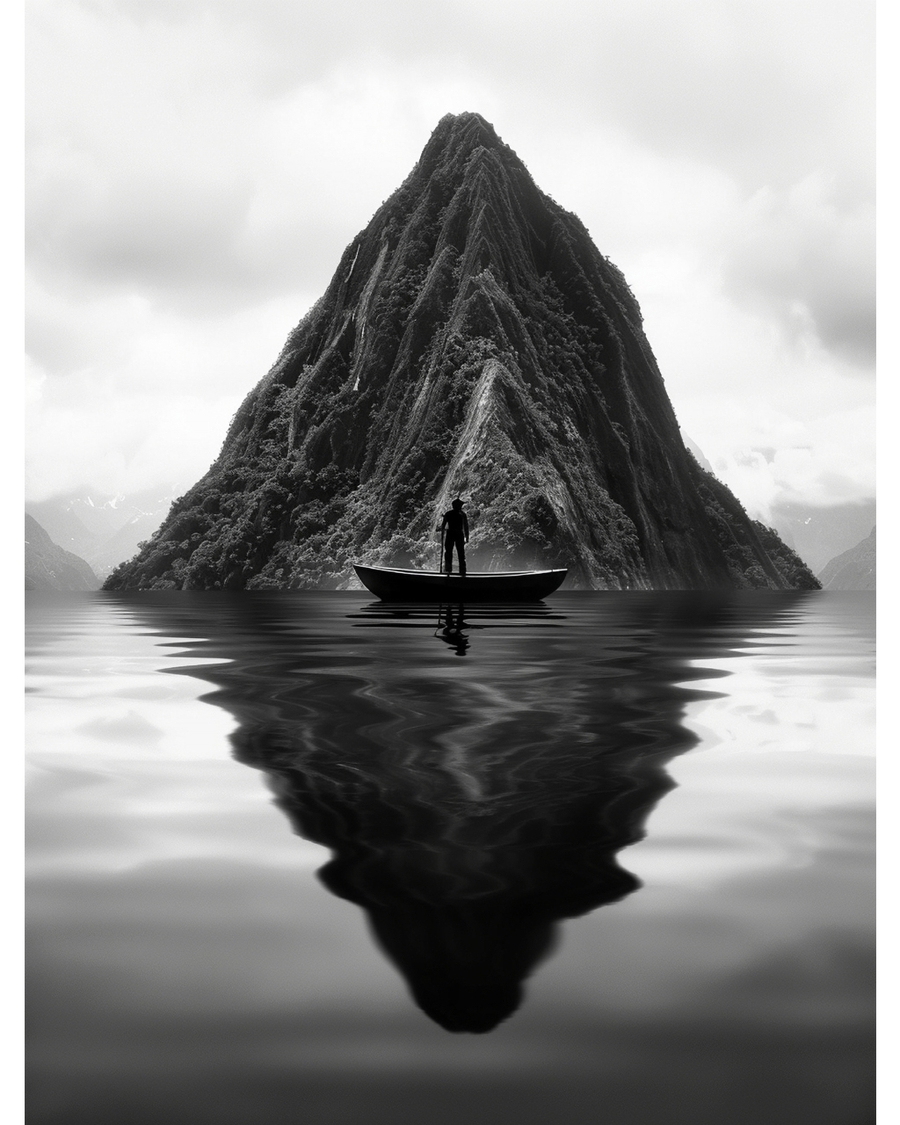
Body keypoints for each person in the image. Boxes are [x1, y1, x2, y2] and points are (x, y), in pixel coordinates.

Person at [440, 498, 469, 576]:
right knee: (460, 553)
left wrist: (442, 531)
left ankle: (448, 570)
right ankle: (462, 571)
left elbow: (443, 525)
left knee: (449, 552)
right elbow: (466, 527)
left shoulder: (448, 513)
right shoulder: (462, 514)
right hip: (459, 534)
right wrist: (467, 536)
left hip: (450, 534)